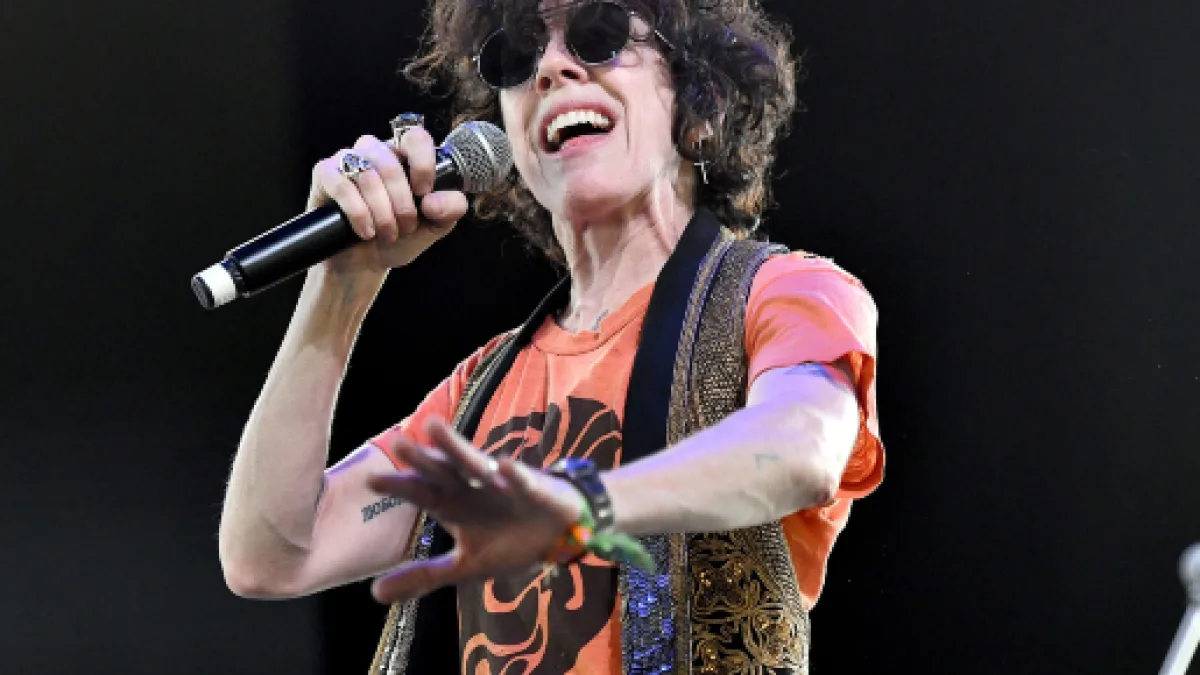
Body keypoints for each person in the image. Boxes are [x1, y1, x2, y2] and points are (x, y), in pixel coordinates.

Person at [217, 0, 884, 672]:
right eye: (517, 53)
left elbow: (801, 449)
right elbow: (272, 554)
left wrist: (582, 504)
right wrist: (341, 286)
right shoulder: (478, 393)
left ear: (700, 105)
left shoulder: (786, 292)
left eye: (600, 33)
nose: (551, 67)